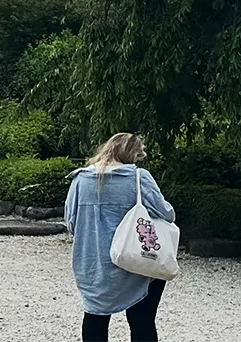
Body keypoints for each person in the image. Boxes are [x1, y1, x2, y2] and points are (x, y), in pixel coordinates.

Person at [65, 133, 174, 342]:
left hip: (93, 262)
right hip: (137, 261)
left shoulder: (80, 180)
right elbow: (166, 214)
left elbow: (71, 221)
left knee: (95, 316)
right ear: (132, 153)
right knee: (142, 319)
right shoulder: (139, 177)